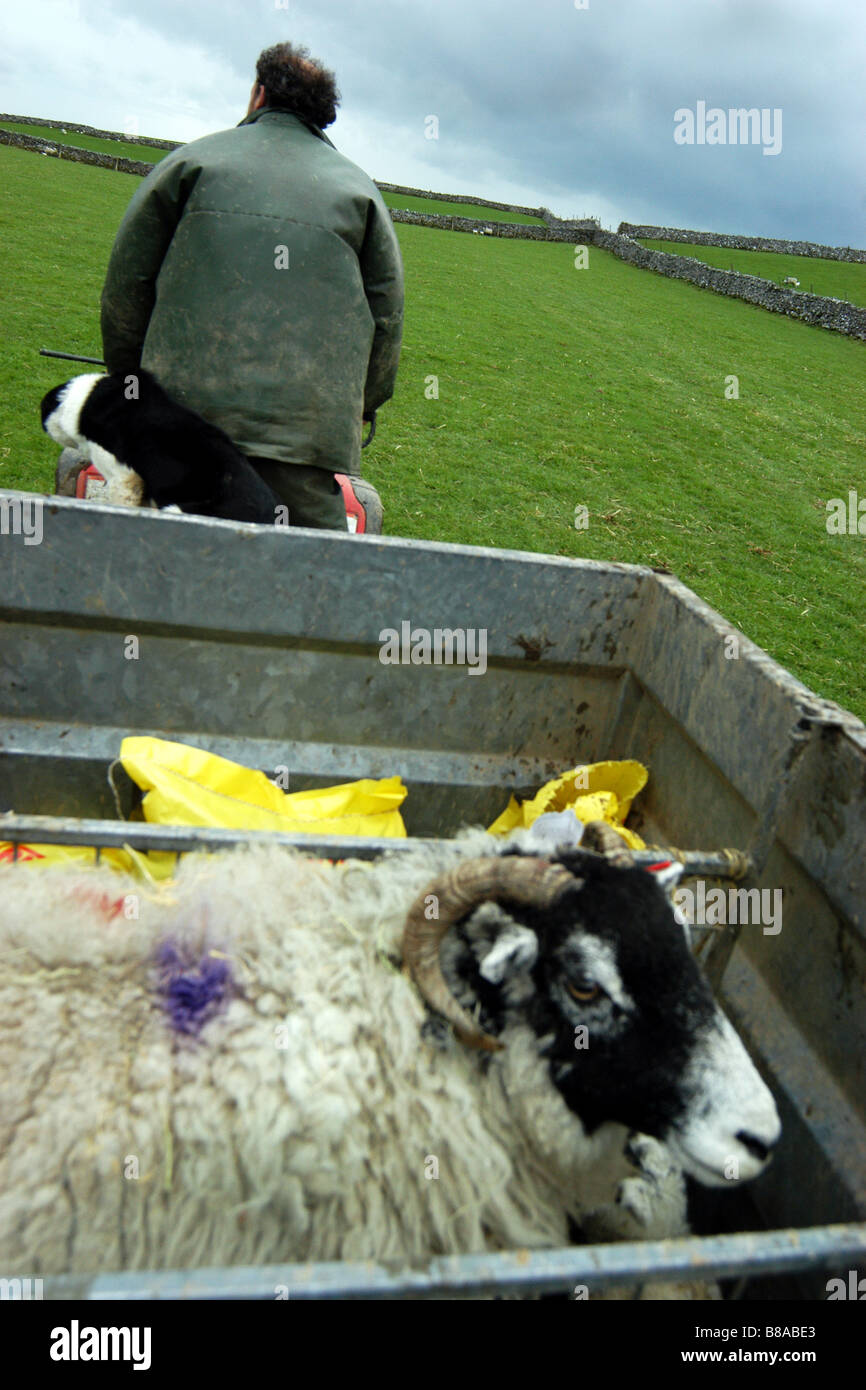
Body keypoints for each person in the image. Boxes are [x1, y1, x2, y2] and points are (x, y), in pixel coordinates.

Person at [100, 42, 404, 529]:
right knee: (311, 576)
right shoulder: (359, 191)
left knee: (162, 561)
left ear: (258, 94)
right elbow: (386, 317)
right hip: (305, 441)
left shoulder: (188, 165)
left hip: (181, 422)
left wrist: (133, 385)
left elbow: (128, 288)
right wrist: (361, 404)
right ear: (322, 116)